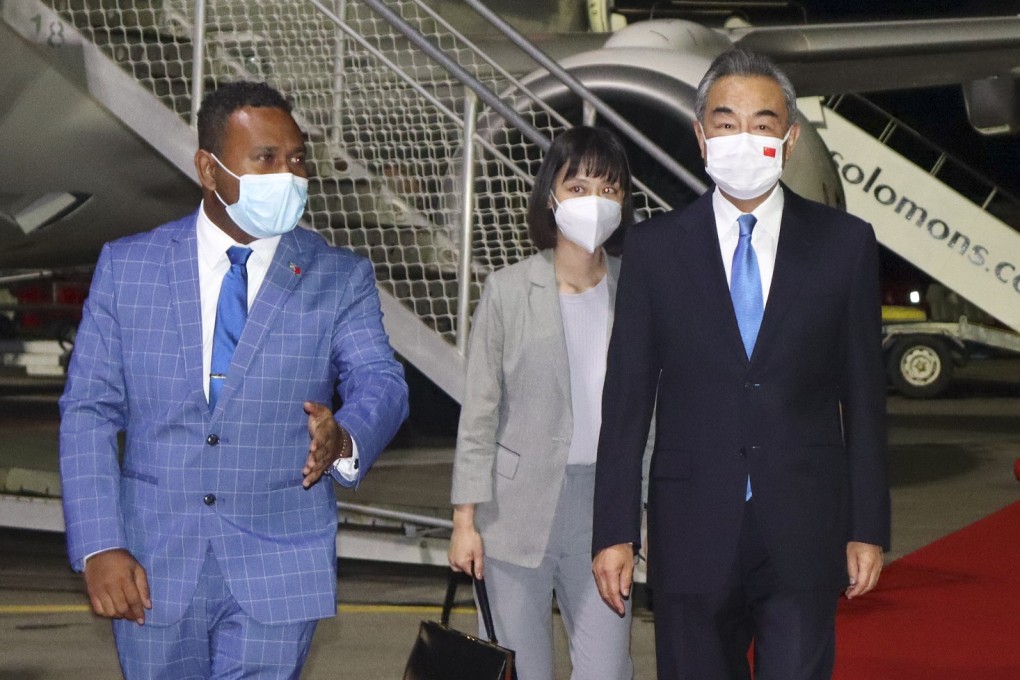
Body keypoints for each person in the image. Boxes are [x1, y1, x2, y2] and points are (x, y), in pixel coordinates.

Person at [59, 81, 409, 679]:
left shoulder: (337, 276)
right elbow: (89, 409)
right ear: (209, 168)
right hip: (151, 563)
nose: (290, 174)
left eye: (298, 158)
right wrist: (100, 544)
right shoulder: (128, 267)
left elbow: (381, 378)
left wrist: (343, 437)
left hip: (279, 562)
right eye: (267, 158)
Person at [591, 48, 890, 680]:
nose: (743, 137)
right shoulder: (655, 249)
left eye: (762, 122)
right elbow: (626, 399)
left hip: (804, 528)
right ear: (701, 136)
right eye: (726, 123)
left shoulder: (846, 245)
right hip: (690, 525)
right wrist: (614, 529)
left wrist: (867, 525)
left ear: (790, 136)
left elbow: (865, 400)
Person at [449, 126, 637, 680]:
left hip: (604, 511)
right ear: (550, 196)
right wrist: (465, 520)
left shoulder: (639, 290)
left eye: (608, 188)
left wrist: (640, 512)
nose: (594, 201)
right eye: (578, 186)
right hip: (512, 512)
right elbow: (479, 413)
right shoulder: (507, 290)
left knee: (608, 670)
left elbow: (649, 415)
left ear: (625, 201)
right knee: (516, 669)